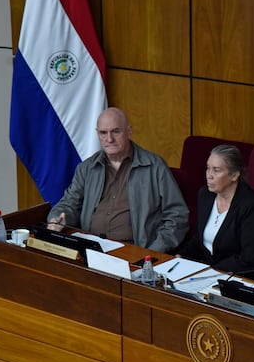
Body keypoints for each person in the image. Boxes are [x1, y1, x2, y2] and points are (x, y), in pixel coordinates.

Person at [47, 107, 189, 253]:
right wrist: (58, 218)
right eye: (103, 133)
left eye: (116, 131)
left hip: (135, 251)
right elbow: (68, 204)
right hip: (90, 248)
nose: (109, 139)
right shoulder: (87, 168)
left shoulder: (154, 166)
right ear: (97, 134)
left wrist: (154, 251)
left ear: (129, 131)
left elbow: (177, 216)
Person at [178, 145, 254, 279]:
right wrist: (180, 257)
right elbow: (199, 239)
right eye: (208, 168)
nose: (209, 175)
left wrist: (211, 272)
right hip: (206, 273)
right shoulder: (205, 195)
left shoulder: (253, 206)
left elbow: (249, 259)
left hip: (236, 277)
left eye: (216, 170)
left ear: (234, 175)